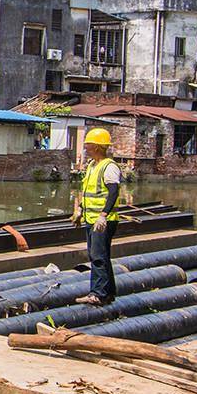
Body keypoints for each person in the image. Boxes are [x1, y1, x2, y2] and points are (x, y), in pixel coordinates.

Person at [72, 127, 128, 305]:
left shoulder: (109, 167)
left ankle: (98, 294)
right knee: (98, 255)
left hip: (103, 221)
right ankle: (109, 292)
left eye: (88, 144)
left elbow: (113, 192)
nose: (85, 148)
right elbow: (89, 191)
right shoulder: (91, 165)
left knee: (98, 256)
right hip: (91, 218)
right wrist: (80, 209)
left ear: (96, 147)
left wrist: (103, 215)